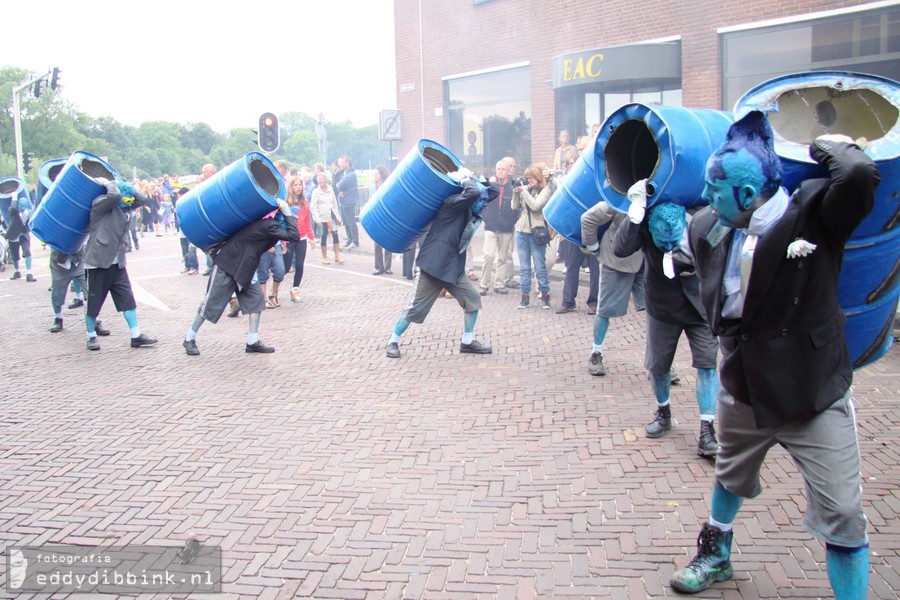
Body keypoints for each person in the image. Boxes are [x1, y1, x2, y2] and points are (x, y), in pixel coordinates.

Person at [669, 111, 878, 598]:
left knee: (844, 512)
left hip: (812, 388)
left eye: (716, 189)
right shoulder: (706, 226)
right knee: (730, 473)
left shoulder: (814, 216)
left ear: (748, 193)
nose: (707, 196)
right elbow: (705, 281)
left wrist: (822, 142)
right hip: (742, 381)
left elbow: (861, 174)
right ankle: (715, 552)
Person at [614, 184, 719, 457]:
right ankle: (663, 411)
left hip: (701, 307)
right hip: (663, 306)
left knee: (707, 366)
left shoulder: (703, 218)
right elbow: (621, 249)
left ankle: (708, 429)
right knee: (658, 366)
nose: (669, 247)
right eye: (664, 242)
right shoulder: (647, 222)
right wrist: (635, 212)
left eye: (674, 240)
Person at [385, 170, 499, 359]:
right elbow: (474, 193)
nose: (483, 203)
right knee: (416, 308)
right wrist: (466, 179)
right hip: (433, 266)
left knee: (472, 299)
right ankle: (392, 341)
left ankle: (467, 342)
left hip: (453, 268)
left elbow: (491, 192)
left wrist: (480, 178)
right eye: (480, 201)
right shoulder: (451, 203)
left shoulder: (469, 206)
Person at [183, 199, 300, 356]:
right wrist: (288, 213)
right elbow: (294, 236)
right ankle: (189, 339)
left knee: (256, 301)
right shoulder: (269, 225)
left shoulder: (268, 225)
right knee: (210, 304)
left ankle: (252, 341)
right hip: (228, 264)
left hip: (245, 267)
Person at [83, 180, 157, 351]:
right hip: (99, 263)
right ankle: (91, 336)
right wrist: (110, 181)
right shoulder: (100, 204)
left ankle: (135, 335)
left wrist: (130, 188)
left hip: (118, 263)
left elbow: (142, 199)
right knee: (94, 303)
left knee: (128, 300)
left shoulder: (125, 208)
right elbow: (114, 195)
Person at [580, 200, 645, 375]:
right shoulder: (621, 198)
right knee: (604, 310)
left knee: (657, 311)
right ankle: (596, 352)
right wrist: (594, 248)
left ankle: (660, 363)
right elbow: (588, 219)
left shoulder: (661, 191)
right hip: (617, 260)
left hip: (647, 259)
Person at [512, 165, 555, 309]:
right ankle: (524, 297)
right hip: (521, 232)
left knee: (539, 266)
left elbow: (536, 206)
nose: (528, 181)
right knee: (524, 267)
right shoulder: (526, 190)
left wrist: (524, 192)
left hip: (537, 233)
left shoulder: (546, 191)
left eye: (530, 178)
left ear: (537, 178)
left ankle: (545, 295)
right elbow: (514, 206)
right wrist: (516, 192)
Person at [479, 160, 517, 295]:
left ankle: (499, 283)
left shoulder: (512, 187)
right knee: (488, 255)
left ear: (508, 172)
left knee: (502, 257)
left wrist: (513, 221)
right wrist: (485, 217)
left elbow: (517, 207)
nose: (500, 171)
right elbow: (482, 201)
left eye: (502, 169)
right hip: (491, 226)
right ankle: (484, 284)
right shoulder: (490, 186)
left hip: (506, 227)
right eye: (498, 169)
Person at [283, 176, 316, 302]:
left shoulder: (304, 202)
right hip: (290, 238)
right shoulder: (286, 202)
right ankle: (274, 291)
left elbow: (307, 221)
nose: (298, 187)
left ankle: (295, 289)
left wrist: (311, 237)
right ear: (291, 187)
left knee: (299, 264)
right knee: (285, 267)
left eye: (300, 185)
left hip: (302, 237)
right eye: (295, 185)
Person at [48, 246, 90, 333]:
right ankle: (58, 318)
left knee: (90, 291)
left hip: (78, 260)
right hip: (59, 262)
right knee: (57, 293)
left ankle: (95, 320)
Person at [310, 172, 343, 265]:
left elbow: (334, 204)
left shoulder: (330, 189)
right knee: (323, 236)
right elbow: (313, 207)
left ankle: (337, 255)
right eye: (320, 179)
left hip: (331, 217)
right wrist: (317, 219)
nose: (322, 181)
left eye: (323, 179)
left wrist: (338, 217)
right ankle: (324, 256)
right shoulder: (316, 192)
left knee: (335, 234)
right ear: (317, 181)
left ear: (326, 180)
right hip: (322, 218)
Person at [4, 192, 36, 282]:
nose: (22, 207)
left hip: (24, 235)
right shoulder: (13, 212)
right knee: (14, 255)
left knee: (27, 252)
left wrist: (27, 229)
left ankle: (29, 273)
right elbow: (12, 207)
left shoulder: (29, 212)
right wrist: (14, 196)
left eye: (24, 205)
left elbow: (31, 223)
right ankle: (17, 271)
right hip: (13, 236)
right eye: (21, 205)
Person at [370, 166, 393, 275]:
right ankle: (379, 267)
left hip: (387, 215)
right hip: (377, 215)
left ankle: (387, 266)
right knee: (377, 242)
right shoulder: (372, 187)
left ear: (381, 174)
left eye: (376, 174)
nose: (375, 176)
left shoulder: (388, 185)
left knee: (389, 241)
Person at [336, 156, 360, 249]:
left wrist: (340, 186)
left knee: (350, 221)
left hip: (349, 201)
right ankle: (349, 239)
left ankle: (355, 240)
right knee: (346, 221)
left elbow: (340, 185)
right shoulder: (344, 173)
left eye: (342, 163)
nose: (340, 164)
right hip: (344, 200)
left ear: (347, 163)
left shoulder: (350, 175)